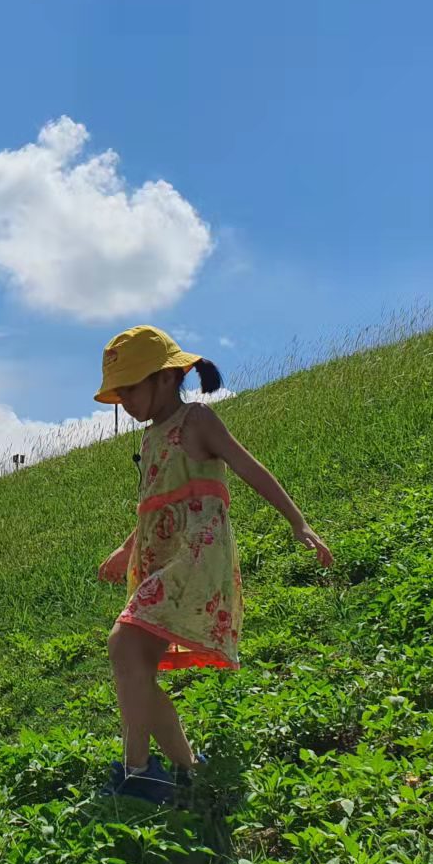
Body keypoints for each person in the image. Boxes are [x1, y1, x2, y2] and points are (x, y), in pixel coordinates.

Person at [94, 325, 333, 803]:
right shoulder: (149, 439)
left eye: (132, 388)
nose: (125, 401)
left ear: (167, 377)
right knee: (135, 661)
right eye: (118, 393)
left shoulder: (197, 421)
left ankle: (138, 770)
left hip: (195, 559)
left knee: (124, 644)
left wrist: (297, 521)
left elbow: (248, 466)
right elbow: (155, 500)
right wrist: (127, 547)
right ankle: (185, 767)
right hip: (157, 557)